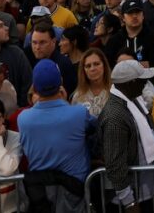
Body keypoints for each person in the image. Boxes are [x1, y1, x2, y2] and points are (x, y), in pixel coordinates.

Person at [18, 59, 98, 211]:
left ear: (34, 87)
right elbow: (94, 127)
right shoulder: (78, 113)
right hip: (74, 192)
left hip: (41, 194)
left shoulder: (24, 118)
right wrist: (65, 103)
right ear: (60, 82)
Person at [99, 59, 154, 210]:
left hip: (148, 190)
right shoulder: (115, 116)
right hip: (134, 197)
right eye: (142, 80)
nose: (145, 83)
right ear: (130, 83)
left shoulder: (133, 101)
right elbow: (115, 163)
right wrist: (129, 202)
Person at [71, 48, 112, 117]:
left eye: (96, 64)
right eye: (88, 66)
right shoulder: (77, 97)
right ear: (83, 70)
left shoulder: (114, 93)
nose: (92, 69)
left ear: (104, 65)